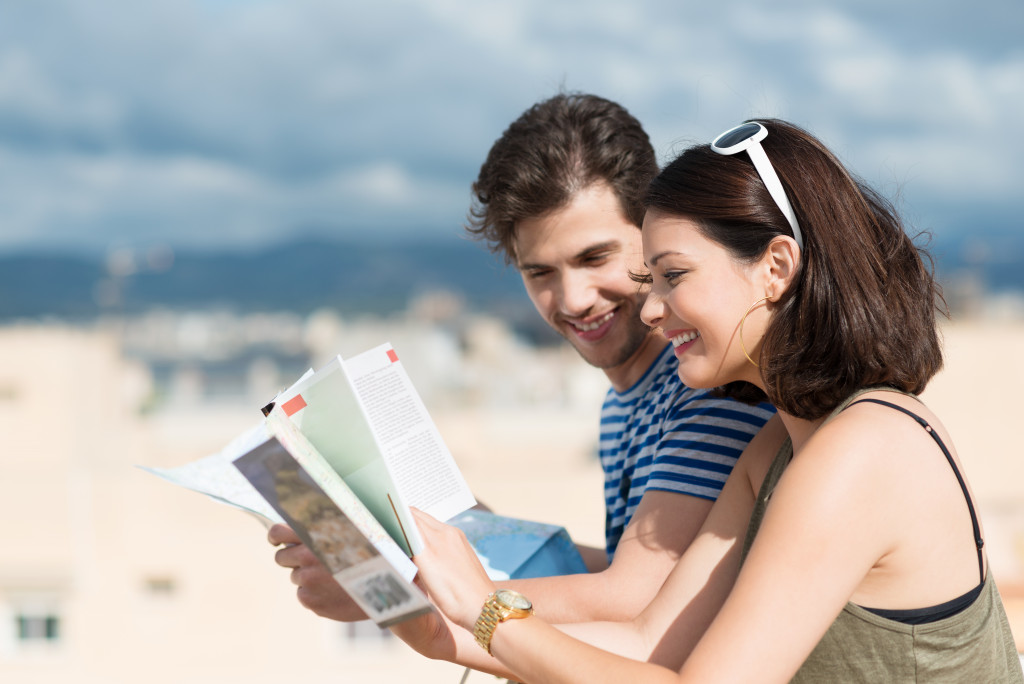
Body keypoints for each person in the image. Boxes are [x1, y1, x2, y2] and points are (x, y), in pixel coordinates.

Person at [409, 118, 1024, 682]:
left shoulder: (862, 450)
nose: (652, 309)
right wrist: (443, 633)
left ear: (776, 267)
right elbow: (650, 640)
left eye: (674, 276)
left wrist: (483, 608)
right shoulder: (776, 450)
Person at [267, 93, 775, 628]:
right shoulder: (622, 404)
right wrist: (460, 530)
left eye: (594, 257)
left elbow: (638, 600)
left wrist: (392, 590)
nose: (573, 297)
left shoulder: (713, 387)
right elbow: (634, 572)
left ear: (654, 233)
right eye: (540, 273)